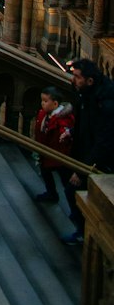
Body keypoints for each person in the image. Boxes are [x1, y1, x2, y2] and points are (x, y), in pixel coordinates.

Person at [63, 58, 114, 245]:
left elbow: (105, 141)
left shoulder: (106, 103)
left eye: (77, 77)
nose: (73, 80)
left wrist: (84, 169)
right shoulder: (87, 93)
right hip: (85, 151)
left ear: (90, 81)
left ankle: (85, 232)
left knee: (72, 190)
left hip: (100, 161)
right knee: (69, 185)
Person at [32, 84, 74, 205]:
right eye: (42, 100)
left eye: (45, 101)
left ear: (55, 104)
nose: (42, 103)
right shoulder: (43, 114)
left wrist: (64, 136)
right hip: (46, 153)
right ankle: (51, 193)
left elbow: (64, 132)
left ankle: (74, 208)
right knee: (46, 173)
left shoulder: (63, 119)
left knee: (66, 180)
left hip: (59, 155)